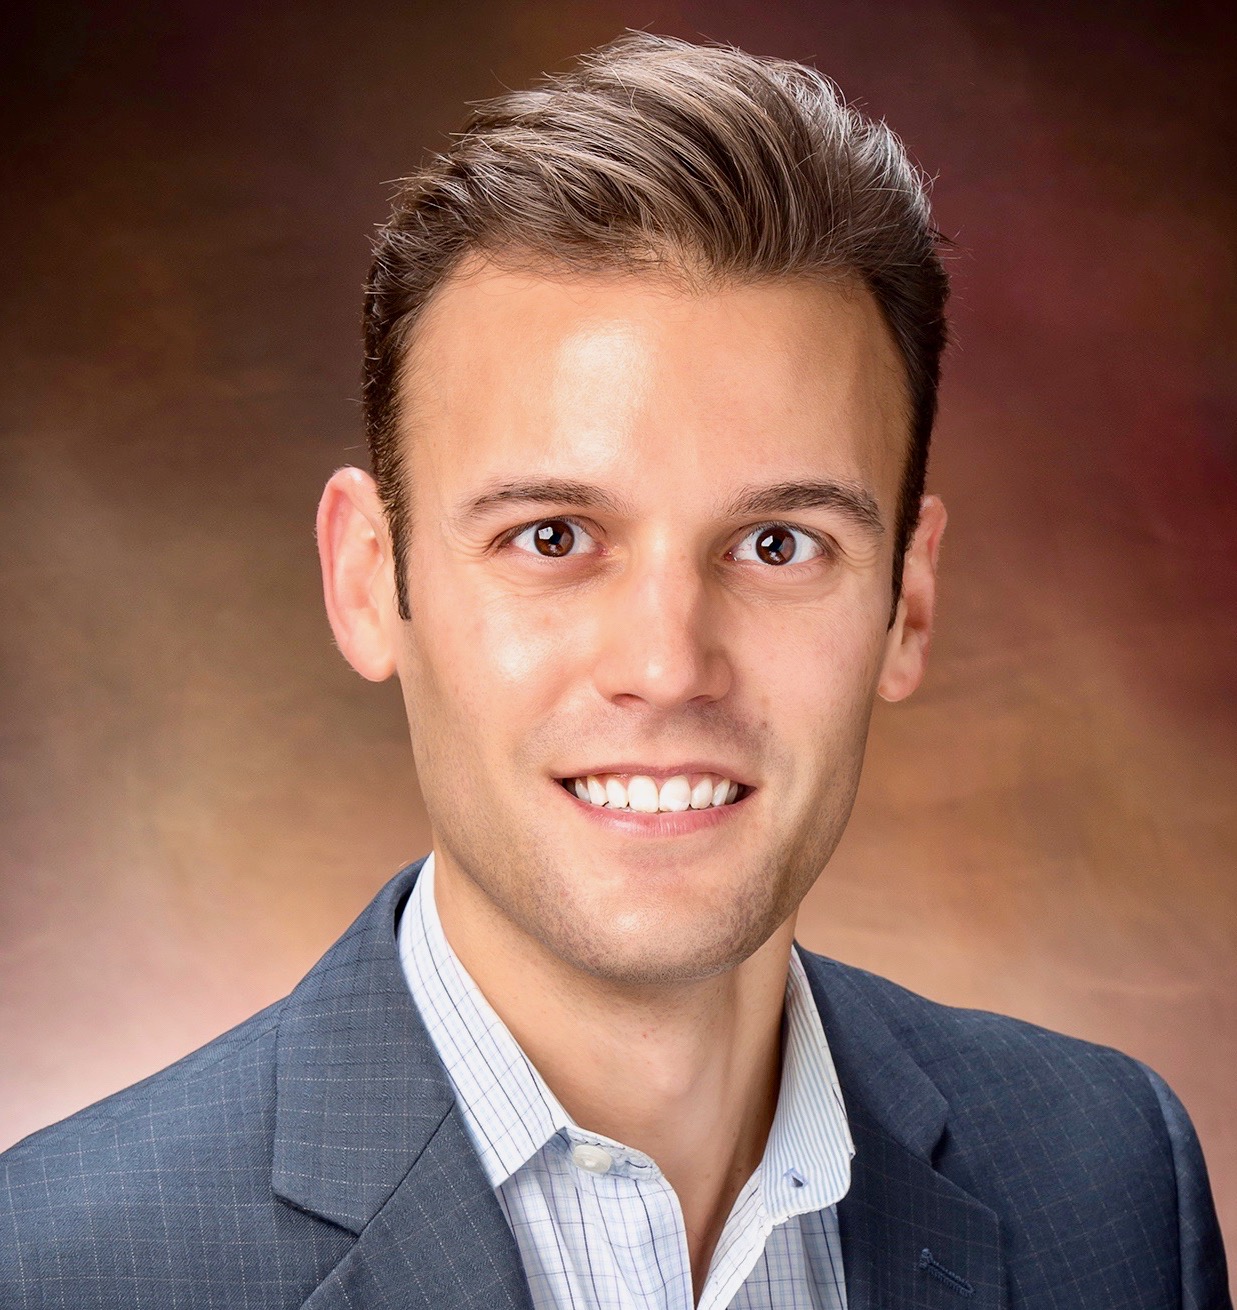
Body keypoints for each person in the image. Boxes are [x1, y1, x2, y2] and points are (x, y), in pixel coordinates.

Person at [0, 32, 1229, 1310]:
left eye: (776, 543)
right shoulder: (55, 1267)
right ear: (368, 580)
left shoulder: (1110, 1178)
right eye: (552, 537)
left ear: (904, 605)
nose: (666, 664)